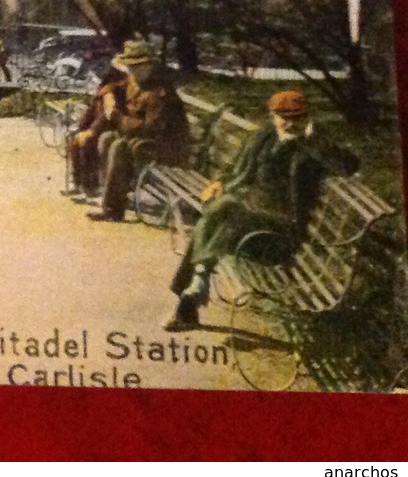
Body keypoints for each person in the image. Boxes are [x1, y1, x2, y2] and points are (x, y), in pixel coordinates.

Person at [165, 89, 357, 331]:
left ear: (306, 117)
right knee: (221, 209)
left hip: (279, 230)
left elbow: (348, 166)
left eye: (297, 118)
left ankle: (193, 294)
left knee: (223, 211)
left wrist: (313, 140)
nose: (290, 124)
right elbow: (237, 168)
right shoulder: (264, 135)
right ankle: (197, 286)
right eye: (283, 117)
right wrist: (220, 182)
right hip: (247, 214)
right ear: (273, 115)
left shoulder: (313, 144)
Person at [85, 38, 189, 223]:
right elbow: (117, 87)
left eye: (138, 66)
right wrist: (108, 94)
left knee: (118, 147)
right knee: (106, 138)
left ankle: (112, 209)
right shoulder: (137, 81)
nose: (133, 71)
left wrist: (116, 116)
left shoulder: (160, 91)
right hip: (142, 143)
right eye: (130, 67)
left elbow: (151, 128)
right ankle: (115, 196)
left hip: (165, 149)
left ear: (150, 65)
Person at [68, 62, 129, 198]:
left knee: (88, 142)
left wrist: (92, 131)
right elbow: (90, 111)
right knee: (76, 139)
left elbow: (106, 117)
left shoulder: (117, 92)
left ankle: (89, 186)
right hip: (99, 128)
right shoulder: (104, 91)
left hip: (110, 129)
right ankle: (78, 182)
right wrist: (81, 127)